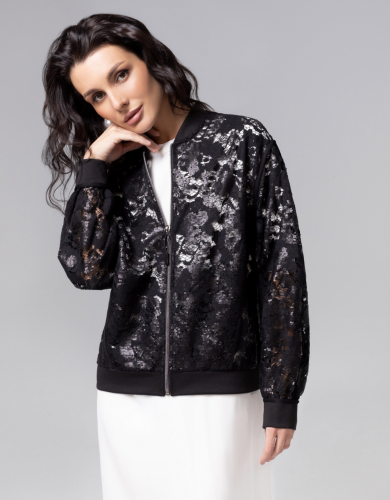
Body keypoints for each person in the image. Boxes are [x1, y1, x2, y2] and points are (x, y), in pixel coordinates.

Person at [42, 13, 310, 500]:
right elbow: (86, 271)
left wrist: (281, 395)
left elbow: (281, 272)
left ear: (150, 60)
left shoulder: (241, 142)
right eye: (96, 96)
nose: (117, 102)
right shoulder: (114, 167)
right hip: (127, 396)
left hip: (223, 388)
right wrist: (94, 167)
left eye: (121, 74)